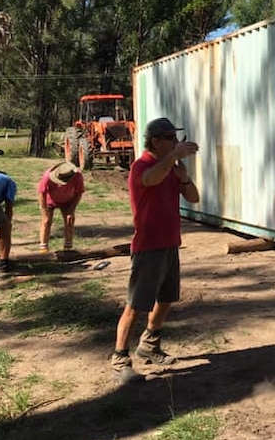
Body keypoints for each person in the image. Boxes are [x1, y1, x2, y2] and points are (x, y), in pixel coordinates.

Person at [110, 117, 199, 384]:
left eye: (176, 138)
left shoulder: (170, 167)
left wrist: (184, 179)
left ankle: (149, 343)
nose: (175, 142)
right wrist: (173, 157)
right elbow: (149, 180)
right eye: (170, 138)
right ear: (156, 141)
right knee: (136, 305)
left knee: (167, 298)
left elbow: (194, 198)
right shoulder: (142, 166)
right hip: (148, 247)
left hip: (170, 243)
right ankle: (120, 359)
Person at [37, 161, 85, 252]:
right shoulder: (47, 176)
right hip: (49, 200)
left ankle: (68, 248)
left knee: (69, 221)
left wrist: (71, 210)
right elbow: (42, 193)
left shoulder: (77, 176)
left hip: (68, 201)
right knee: (46, 221)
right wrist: (44, 211)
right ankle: (43, 247)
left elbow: (79, 192)